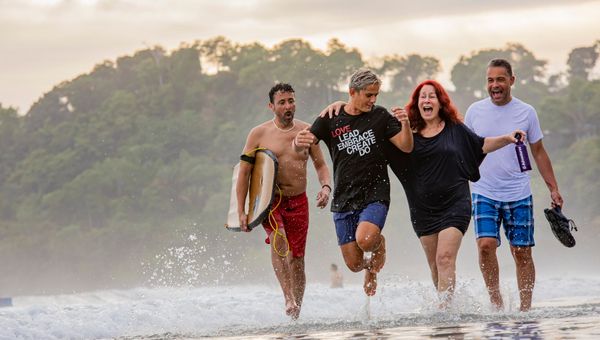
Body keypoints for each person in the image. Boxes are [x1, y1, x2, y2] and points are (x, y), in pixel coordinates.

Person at [322, 80, 523, 307]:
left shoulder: (455, 129)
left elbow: (481, 145)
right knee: (435, 265)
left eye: (432, 96)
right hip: (422, 209)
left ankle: (445, 310)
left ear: (440, 103)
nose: (427, 100)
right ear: (417, 104)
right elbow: (369, 136)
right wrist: (344, 104)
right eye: (422, 97)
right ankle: (445, 306)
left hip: (455, 204)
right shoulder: (405, 134)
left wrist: (507, 138)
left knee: (445, 258)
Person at [294, 68, 413, 297]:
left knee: (366, 239)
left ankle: (377, 246)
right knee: (354, 264)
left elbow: (406, 146)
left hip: (375, 193)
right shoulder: (331, 118)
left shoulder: (381, 116)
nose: (373, 100)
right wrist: (297, 141)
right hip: (344, 197)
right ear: (352, 92)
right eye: (368, 95)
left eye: (376, 95)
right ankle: (370, 262)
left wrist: (405, 124)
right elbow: (306, 142)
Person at [465, 58, 564, 312]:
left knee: (521, 251)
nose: (495, 85)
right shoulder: (475, 111)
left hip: (518, 192)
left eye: (500, 79)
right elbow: (464, 152)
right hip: (483, 190)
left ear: (512, 80)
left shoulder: (526, 112)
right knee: (486, 245)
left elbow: (539, 152)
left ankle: (525, 310)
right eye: (490, 80)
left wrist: (553, 188)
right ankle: (496, 304)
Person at [236, 83, 332, 320]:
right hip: (271, 200)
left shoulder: (307, 131)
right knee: (279, 240)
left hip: (299, 201)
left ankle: (296, 308)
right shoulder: (259, 134)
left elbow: (320, 165)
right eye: (282, 102)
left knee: (297, 258)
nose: (288, 106)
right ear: (271, 106)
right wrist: (241, 211)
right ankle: (287, 297)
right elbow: (244, 172)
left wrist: (326, 187)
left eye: (291, 101)